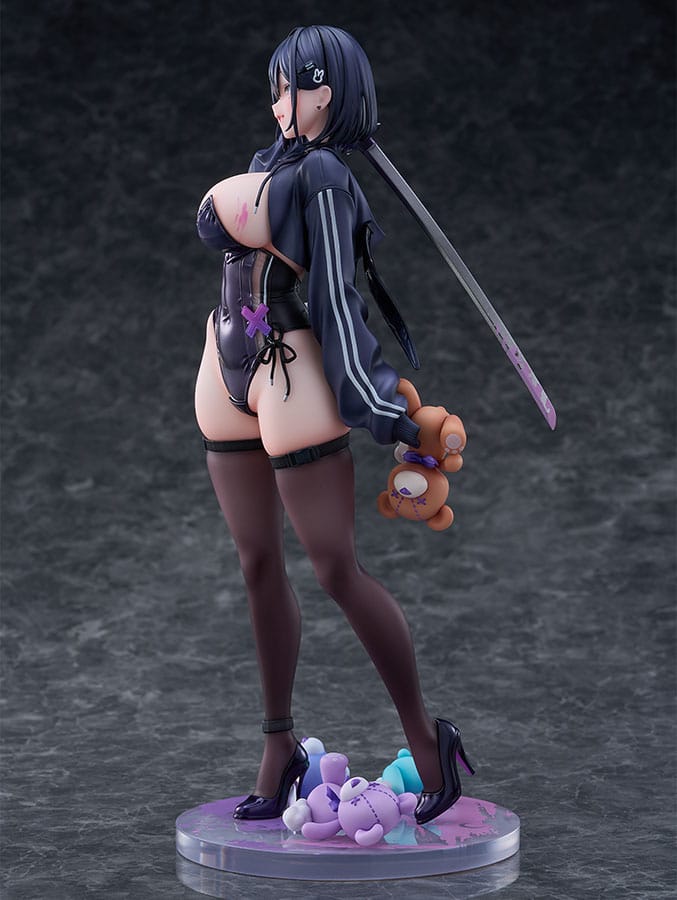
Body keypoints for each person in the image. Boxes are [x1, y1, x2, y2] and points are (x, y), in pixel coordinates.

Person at [194, 25, 473, 826]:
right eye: (277, 87)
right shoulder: (270, 163)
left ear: (335, 92)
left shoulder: (322, 176)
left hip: (291, 368)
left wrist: (384, 409)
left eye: (301, 85)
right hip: (225, 364)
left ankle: (426, 740)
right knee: (255, 562)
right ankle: (278, 747)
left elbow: (336, 303)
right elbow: (213, 223)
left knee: (333, 568)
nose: (284, 103)